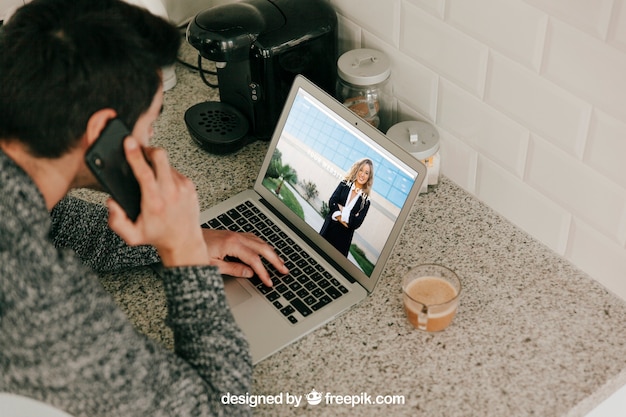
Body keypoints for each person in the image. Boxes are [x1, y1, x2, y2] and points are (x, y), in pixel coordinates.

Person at [0, 1, 288, 416]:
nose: (154, 137)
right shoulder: (33, 299)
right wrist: (184, 256)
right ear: (101, 132)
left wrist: (165, 239)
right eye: (152, 120)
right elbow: (218, 409)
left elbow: (52, 222)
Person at [319, 158, 373, 257]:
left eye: (366, 173)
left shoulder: (366, 201)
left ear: (369, 177)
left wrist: (342, 209)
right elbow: (332, 202)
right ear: (357, 170)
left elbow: (357, 223)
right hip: (328, 230)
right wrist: (345, 218)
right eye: (361, 170)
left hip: (342, 241)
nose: (362, 175)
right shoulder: (344, 184)